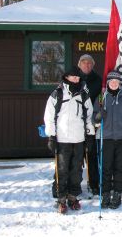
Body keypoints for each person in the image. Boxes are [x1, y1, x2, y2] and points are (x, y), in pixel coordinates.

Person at [44, 66, 95, 214]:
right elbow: (49, 117)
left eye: (78, 78)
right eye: (73, 77)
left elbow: (89, 117)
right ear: (66, 77)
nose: (76, 80)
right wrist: (51, 136)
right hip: (62, 138)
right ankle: (61, 198)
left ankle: (73, 196)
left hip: (79, 139)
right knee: (62, 170)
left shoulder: (84, 95)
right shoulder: (57, 93)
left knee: (76, 170)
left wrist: (90, 136)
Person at [93, 71, 122, 209]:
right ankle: (105, 193)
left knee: (120, 167)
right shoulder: (101, 98)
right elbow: (94, 118)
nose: (114, 83)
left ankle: (117, 193)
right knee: (106, 168)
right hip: (105, 138)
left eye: (116, 82)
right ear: (108, 82)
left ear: (120, 83)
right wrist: (98, 117)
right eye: (111, 81)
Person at [78, 54, 102, 196]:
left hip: (91, 121)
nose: (86, 65)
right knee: (75, 156)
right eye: (84, 63)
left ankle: (94, 184)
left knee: (92, 155)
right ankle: (72, 184)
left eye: (89, 63)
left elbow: (100, 99)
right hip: (74, 122)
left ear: (92, 65)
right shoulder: (74, 78)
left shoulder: (98, 80)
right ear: (79, 64)